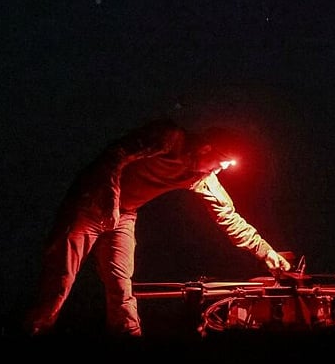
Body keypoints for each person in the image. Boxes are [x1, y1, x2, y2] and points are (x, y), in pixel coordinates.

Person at [22, 118, 292, 337]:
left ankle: (129, 342)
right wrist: (111, 197)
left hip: (124, 215)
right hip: (89, 203)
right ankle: (34, 333)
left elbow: (230, 218)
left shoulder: (202, 177)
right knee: (61, 277)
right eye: (221, 161)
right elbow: (116, 156)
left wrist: (268, 254)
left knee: (120, 283)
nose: (220, 170)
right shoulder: (170, 139)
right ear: (206, 148)